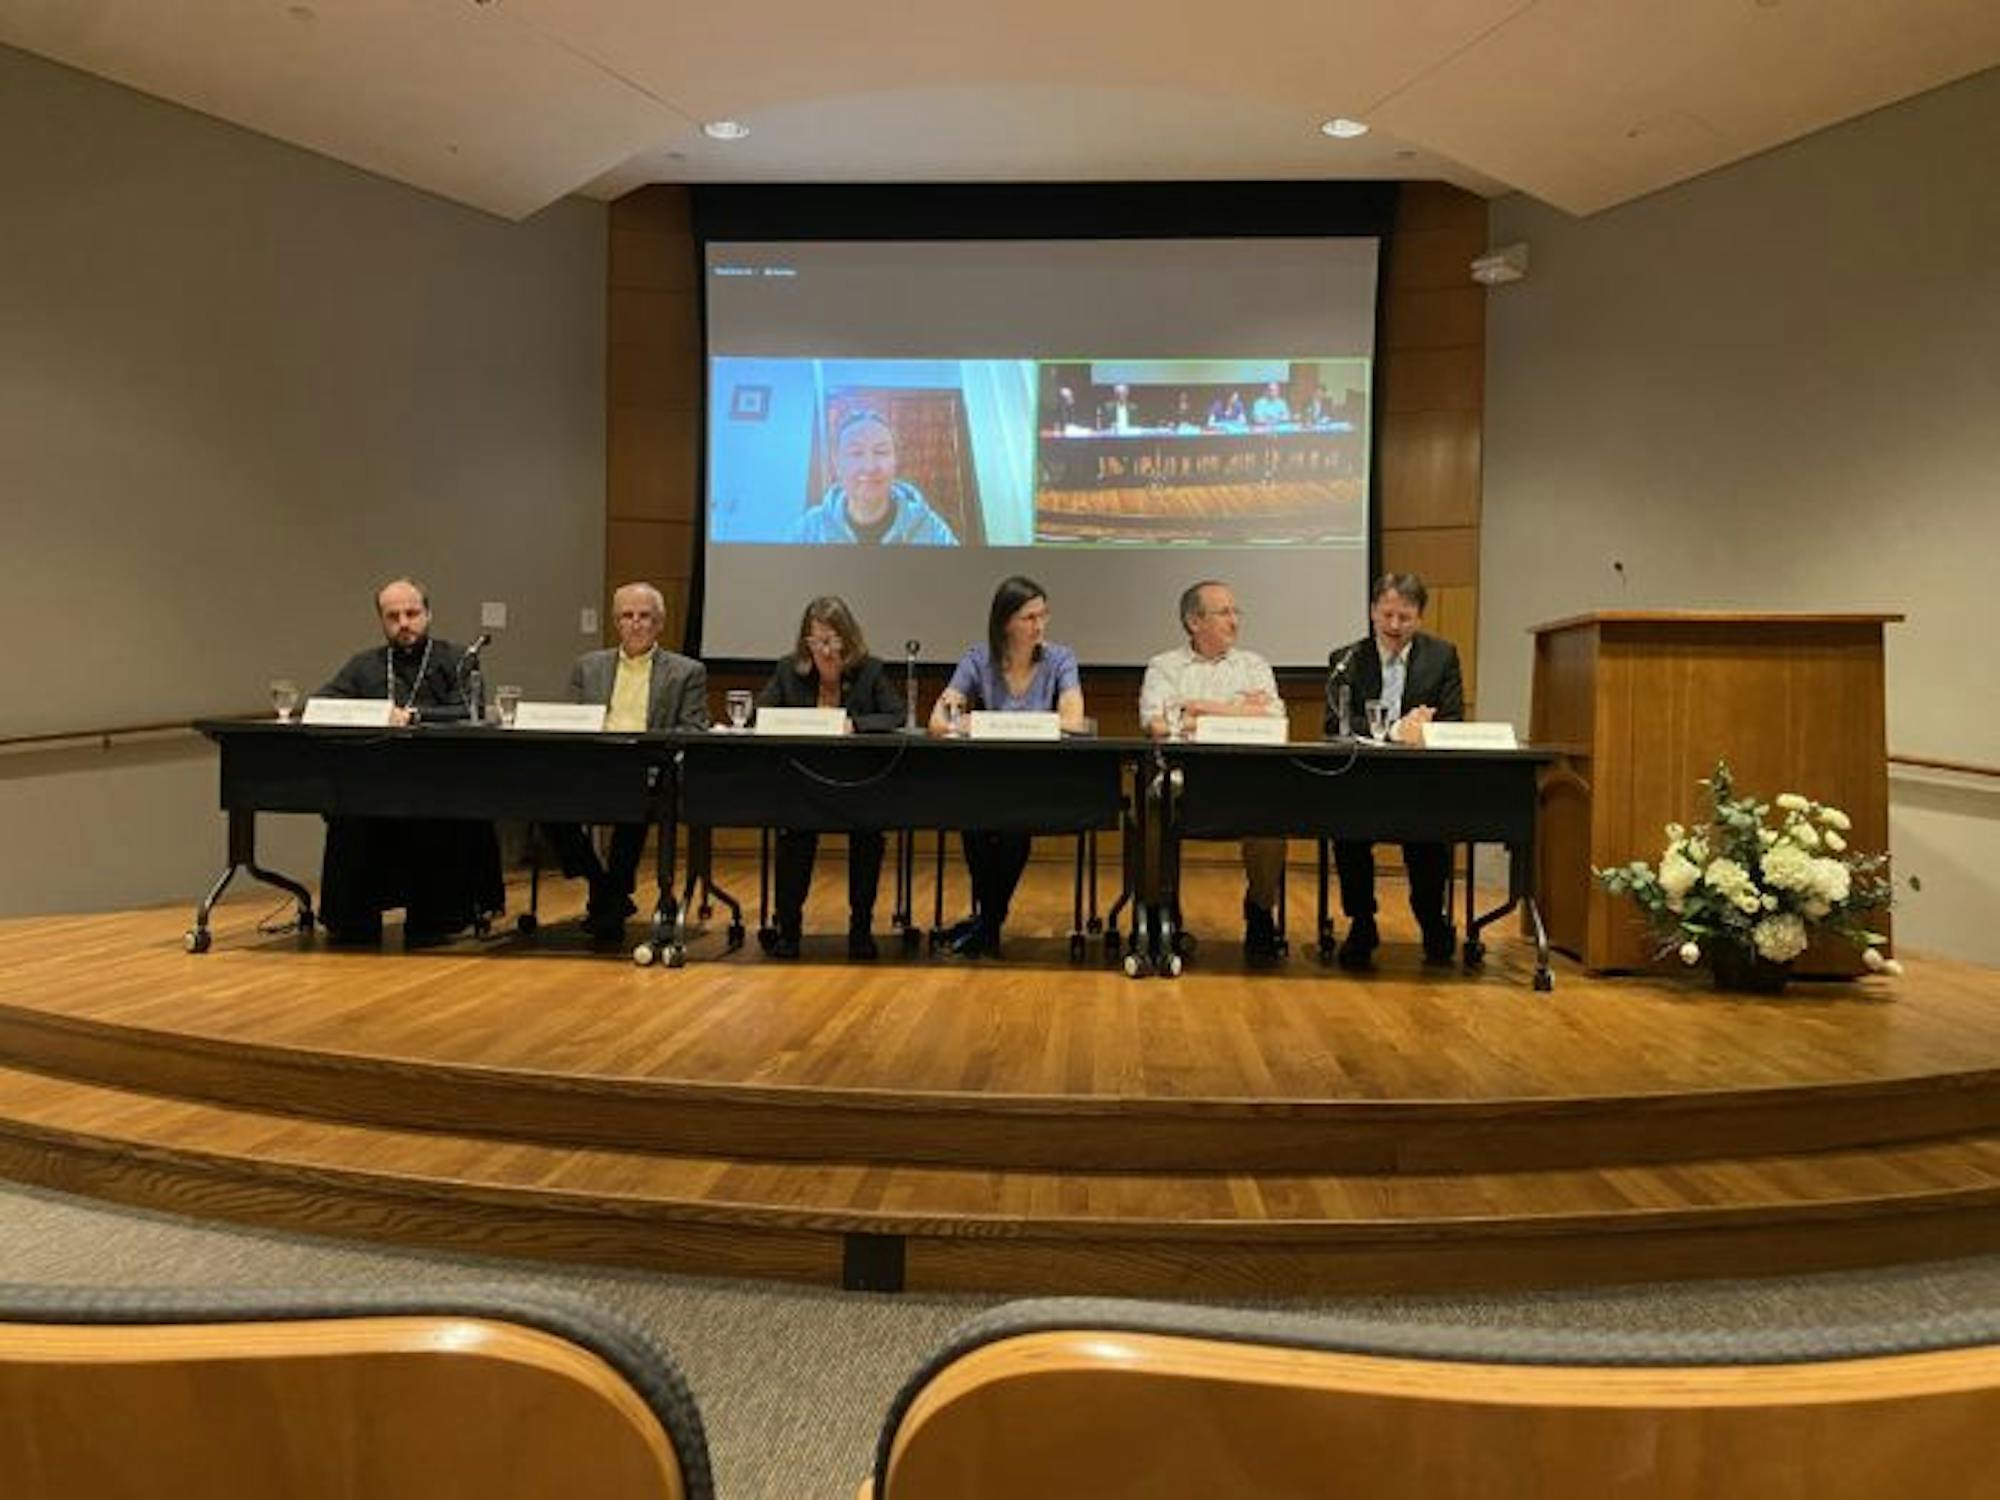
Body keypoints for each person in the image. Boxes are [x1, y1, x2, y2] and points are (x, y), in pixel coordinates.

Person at [316, 577, 502, 946]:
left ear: (428, 614)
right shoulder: (364, 664)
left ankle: (437, 918)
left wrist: (412, 716)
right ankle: (352, 919)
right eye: (393, 616)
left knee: (437, 818)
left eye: (412, 613)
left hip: (438, 781)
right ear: (382, 621)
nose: (404, 622)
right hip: (374, 782)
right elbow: (323, 702)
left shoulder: (456, 658)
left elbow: (470, 710)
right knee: (348, 814)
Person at [930, 576, 1086, 957]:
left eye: (1042, 616)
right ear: (1005, 623)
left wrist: (985, 723)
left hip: (1037, 777)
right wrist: (957, 720)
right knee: (974, 825)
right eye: (1029, 618)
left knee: (1016, 828)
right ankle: (988, 924)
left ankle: (987, 924)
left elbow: (1074, 719)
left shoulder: (1060, 659)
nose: (1039, 626)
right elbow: (938, 720)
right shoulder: (977, 658)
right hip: (985, 775)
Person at [547, 582, 709, 939]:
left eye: (644, 616)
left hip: (650, 768)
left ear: (660, 623)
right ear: (616, 622)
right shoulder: (587, 667)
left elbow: (694, 729)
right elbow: (568, 722)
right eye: (627, 616)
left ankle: (609, 898)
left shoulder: (686, 672)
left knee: (632, 797)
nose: (635, 624)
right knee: (544, 799)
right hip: (593, 764)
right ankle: (603, 887)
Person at [1138, 581, 1288, 963]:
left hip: (1248, 781)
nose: (1235, 621)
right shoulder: (1164, 666)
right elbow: (1156, 725)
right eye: (1224, 613)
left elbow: (1274, 718)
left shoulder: (1253, 665)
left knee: (1272, 820)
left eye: (1237, 612)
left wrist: (1198, 708)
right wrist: (1239, 711)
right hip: (1183, 784)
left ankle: (1259, 911)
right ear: (1193, 621)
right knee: (1152, 808)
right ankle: (1165, 911)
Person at [1322, 572, 1466, 968]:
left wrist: (1424, 730)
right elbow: (1336, 723)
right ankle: (1362, 921)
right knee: (1348, 830)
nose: (1394, 626)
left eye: (1405, 617)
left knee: (1428, 836)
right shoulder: (1347, 659)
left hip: (1421, 781)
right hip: (1361, 778)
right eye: (1386, 615)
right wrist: (1396, 730)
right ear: (1372, 612)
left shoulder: (1442, 656)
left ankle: (1430, 919)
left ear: (1419, 617)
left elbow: (1451, 720)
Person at [756, 596, 904, 960]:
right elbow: (762, 713)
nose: (824, 649)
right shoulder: (789, 670)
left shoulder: (869, 670)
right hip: (803, 781)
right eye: (816, 640)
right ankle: (789, 930)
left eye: (832, 640)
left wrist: (855, 724)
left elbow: (896, 716)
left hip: (859, 782)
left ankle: (861, 929)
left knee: (869, 836)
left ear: (848, 639)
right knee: (793, 835)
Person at [792, 409, 958, 545]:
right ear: (837, 464)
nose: (870, 467)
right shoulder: (808, 530)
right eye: (856, 453)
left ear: (895, 461)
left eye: (881, 452)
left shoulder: (931, 529)